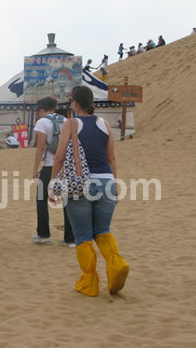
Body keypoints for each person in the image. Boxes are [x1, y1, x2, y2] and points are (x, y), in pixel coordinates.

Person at [51, 85, 129, 297]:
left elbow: (59, 156)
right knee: (103, 231)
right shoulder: (104, 124)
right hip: (106, 183)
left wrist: (51, 184)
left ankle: (90, 283)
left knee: (83, 236)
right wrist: (113, 185)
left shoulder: (71, 123)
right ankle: (116, 265)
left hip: (80, 185)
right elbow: (111, 158)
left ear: (75, 103)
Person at [31, 97, 75, 247]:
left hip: (50, 165)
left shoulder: (42, 122)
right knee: (66, 200)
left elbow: (41, 147)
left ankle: (43, 234)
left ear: (41, 110)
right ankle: (70, 238)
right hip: (65, 165)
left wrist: (35, 168)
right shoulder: (65, 119)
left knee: (41, 198)